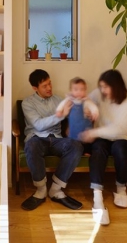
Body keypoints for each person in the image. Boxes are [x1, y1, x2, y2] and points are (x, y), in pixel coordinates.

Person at [79, 69, 127, 226]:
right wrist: (90, 109)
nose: (102, 90)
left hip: (125, 137)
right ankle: (97, 197)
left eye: (106, 87)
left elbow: (119, 129)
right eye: (101, 86)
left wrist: (93, 132)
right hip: (103, 137)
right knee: (98, 149)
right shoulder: (100, 94)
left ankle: (121, 188)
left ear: (116, 86)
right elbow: (86, 101)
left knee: (119, 148)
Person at [20, 69, 84, 211]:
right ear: (35, 88)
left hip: (57, 140)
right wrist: (60, 115)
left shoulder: (59, 100)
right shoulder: (27, 103)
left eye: (50, 83)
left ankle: (56, 189)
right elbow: (38, 125)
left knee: (76, 145)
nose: (49, 88)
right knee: (31, 145)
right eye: (44, 86)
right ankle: (41, 190)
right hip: (37, 138)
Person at [55, 77, 99, 141]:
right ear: (71, 90)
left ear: (85, 90)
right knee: (72, 139)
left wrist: (95, 113)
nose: (79, 92)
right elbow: (61, 104)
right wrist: (59, 111)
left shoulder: (86, 101)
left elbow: (93, 107)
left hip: (85, 127)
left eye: (82, 89)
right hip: (73, 126)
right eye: (76, 89)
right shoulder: (69, 100)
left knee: (85, 138)